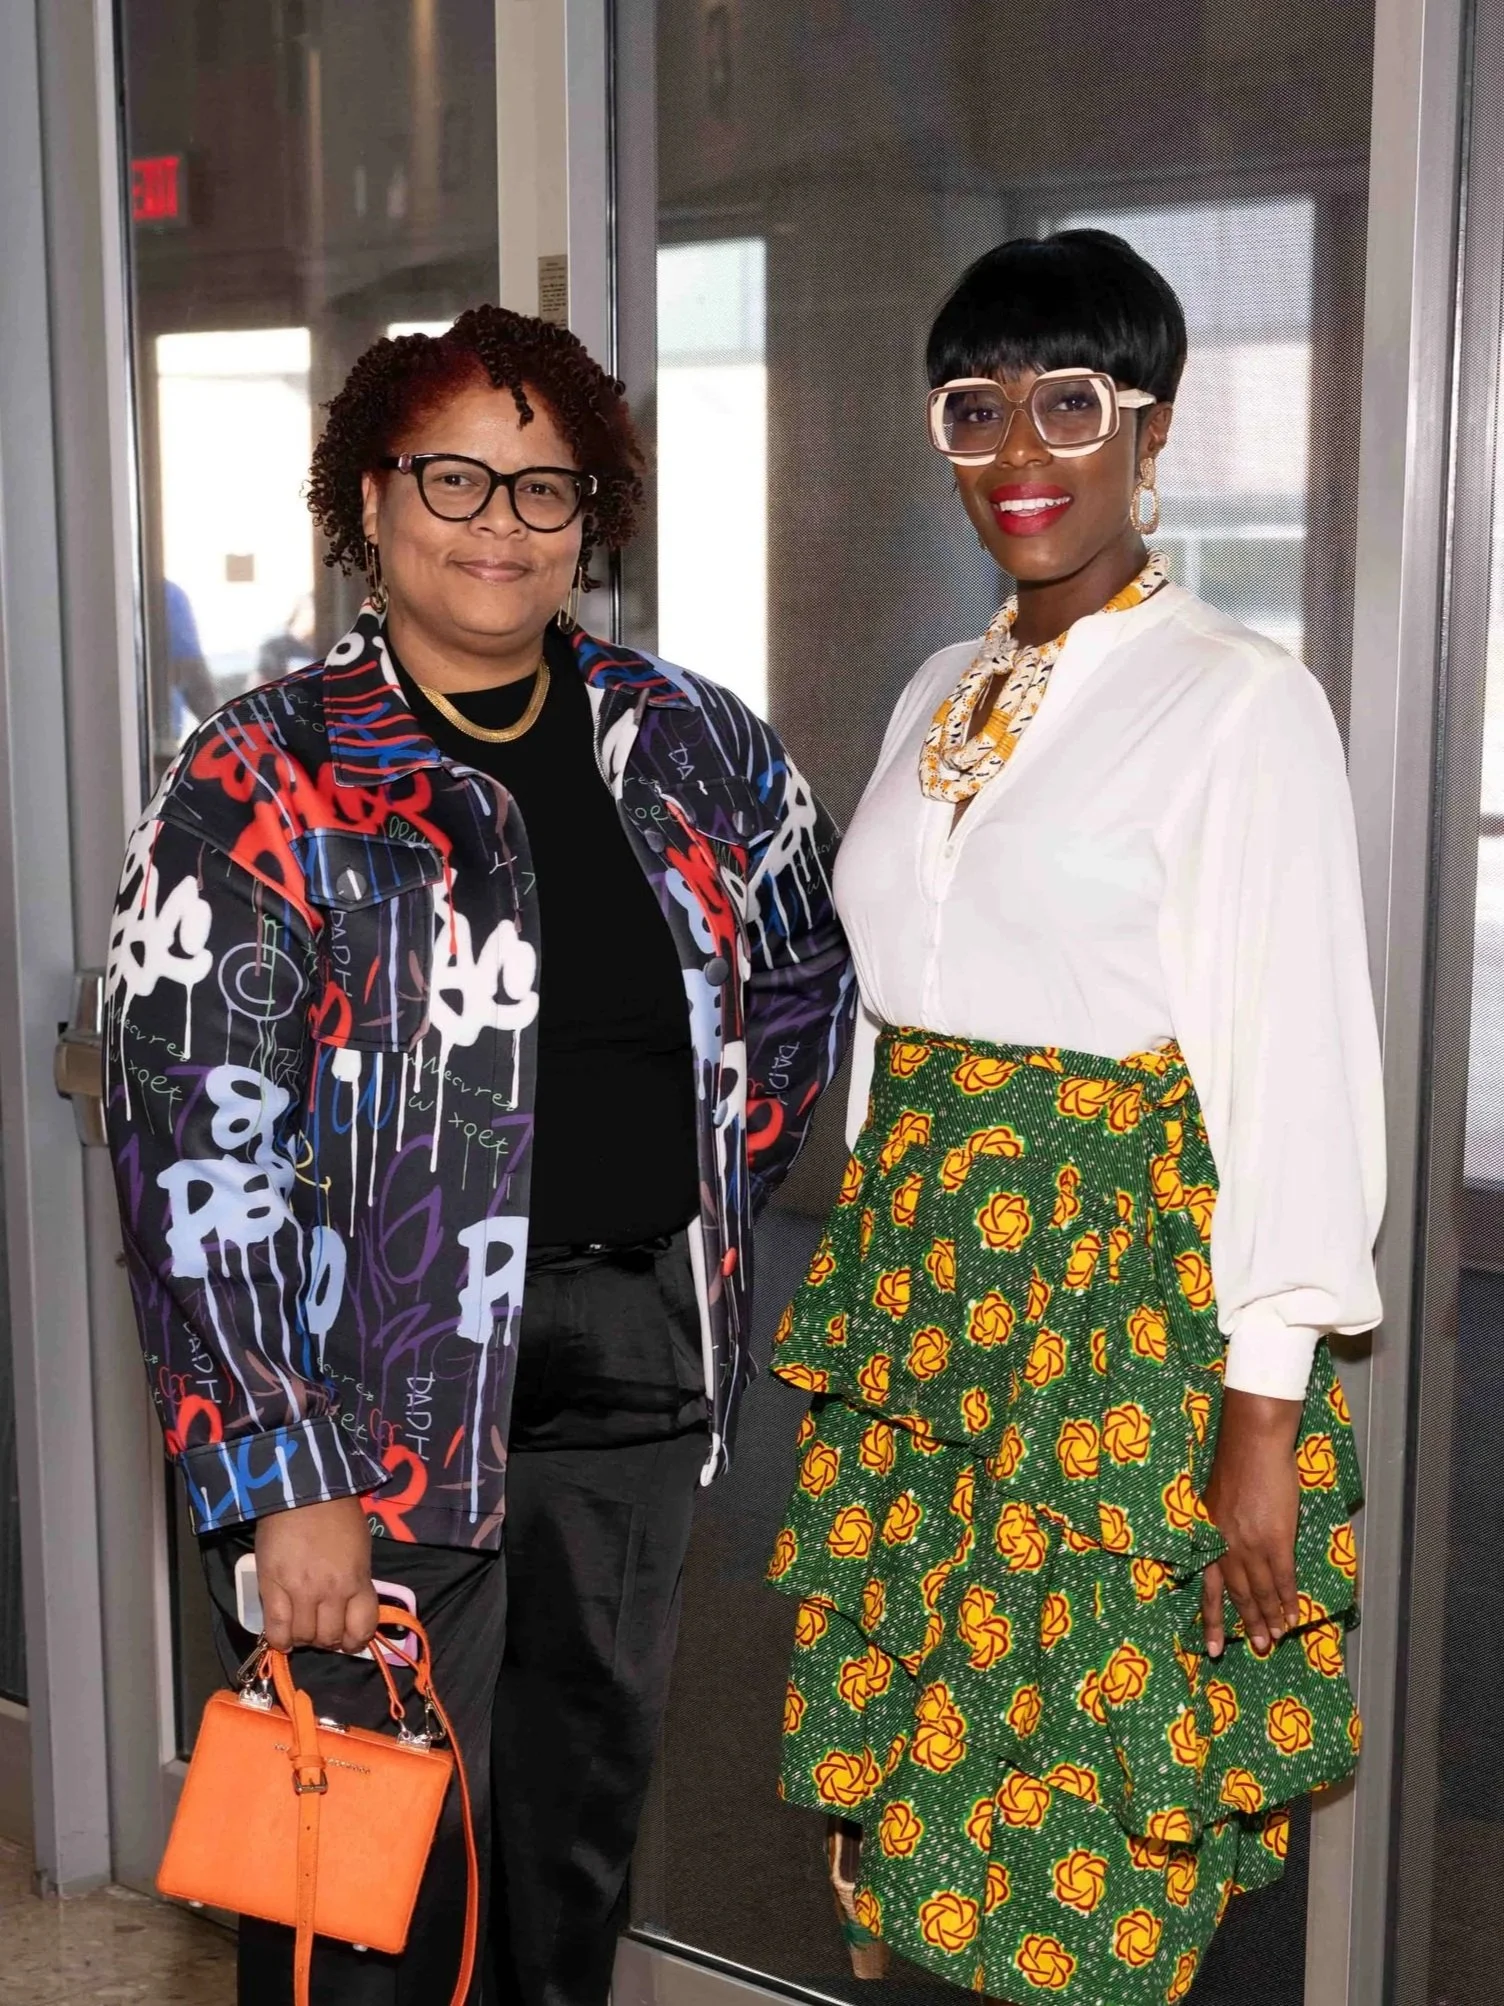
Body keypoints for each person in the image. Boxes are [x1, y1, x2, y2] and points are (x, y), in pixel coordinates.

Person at [104, 303, 853, 2005]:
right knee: (360, 1889)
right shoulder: (260, 775)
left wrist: (707, 1182)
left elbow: (806, 966)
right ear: (370, 501)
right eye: (454, 477)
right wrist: (280, 1468)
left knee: (571, 1853)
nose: (498, 523)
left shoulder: (693, 742)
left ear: (592, 518)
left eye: (543, 486)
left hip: (633, 1369)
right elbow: (192, 1145)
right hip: (364, 1400)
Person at [764, 231, 1384, 2003]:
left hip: (1110, 1323)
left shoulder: (1240, 699)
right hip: (927, 1311)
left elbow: (1296, 1060)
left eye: (1070, 403)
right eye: (976, 410)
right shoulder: (930, 693)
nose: (1019, 451)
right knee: (928, 1799)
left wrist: (1262, 1411)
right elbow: (895, 1011)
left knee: (1084, 1808)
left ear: (1153, 428)